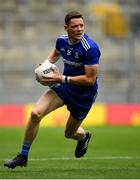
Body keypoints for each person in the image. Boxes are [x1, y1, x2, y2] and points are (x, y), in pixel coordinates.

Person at [4, 11, 101, 169]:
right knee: (35, 114)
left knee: (69, 134)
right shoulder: (61, 41)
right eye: (74, 26)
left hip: (83, 94)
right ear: (66, 28)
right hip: (64, 86)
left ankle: (84, 137)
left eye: (81, 25)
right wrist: (44, 67)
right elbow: (56, 53)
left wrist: (61, 78)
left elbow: (90, 80)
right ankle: (23, 155)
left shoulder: (90, 48)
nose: (79, 29)